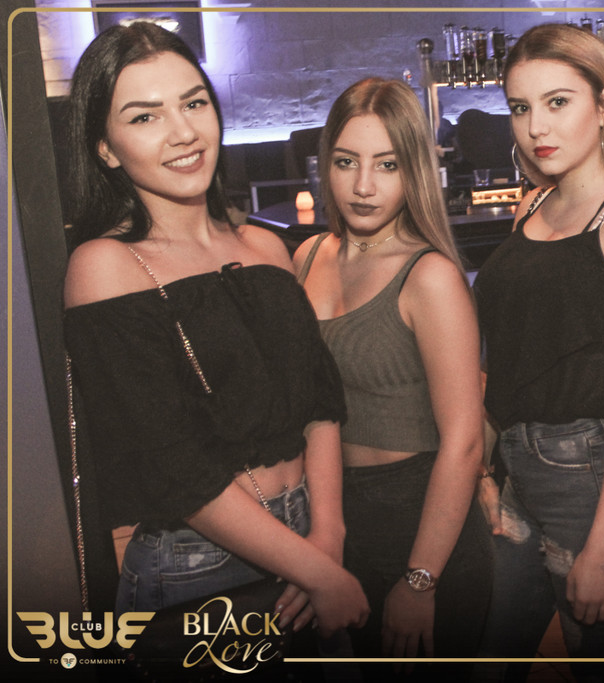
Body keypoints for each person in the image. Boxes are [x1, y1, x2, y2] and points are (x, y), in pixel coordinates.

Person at [62, 22, 369, 640]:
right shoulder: (104, 266)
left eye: (194, 103)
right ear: (106, 149)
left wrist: (328, 537)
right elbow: (172, 464)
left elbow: (319, 403)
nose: (183, 132)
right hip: (197, 565)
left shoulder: (265, 247)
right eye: (145, 117)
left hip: (313, 534)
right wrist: (317, 569)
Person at [473, 23, 604, 676]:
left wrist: (603, 548)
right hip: (519, 473)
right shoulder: (533, 207)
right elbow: (508, 362)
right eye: (521, 106)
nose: (536, 126)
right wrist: (484, 472)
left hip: (592, 479)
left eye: (558, 102)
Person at [293, 78, 492, 679]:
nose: (363, 185)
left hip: (421, 519)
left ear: (414, 171)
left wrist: (420, 578)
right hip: (336, 514)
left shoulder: (428, 275)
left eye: (387, 164)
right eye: (345, 162)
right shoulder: (307, 257)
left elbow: (464, 442)